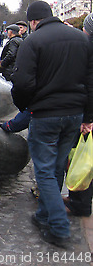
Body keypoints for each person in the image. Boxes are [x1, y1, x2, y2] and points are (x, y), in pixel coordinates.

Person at [11, 0, 93, 248]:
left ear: (33, 21)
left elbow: (22, 83)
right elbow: (90, 82)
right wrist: (88, 117)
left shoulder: (33, 41)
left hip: (46, 115)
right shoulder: (81, 39)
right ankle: (44, 215)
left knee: (44, 171)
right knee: (57, 166)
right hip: (74, 115)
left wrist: (26, 106)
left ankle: (58, 226)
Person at [63, 12, 93, 217]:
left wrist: (88, 119)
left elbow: (89, 86)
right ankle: (77, 199)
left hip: (86, 113)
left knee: (81, 158)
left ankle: (80, 202)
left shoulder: (87, 49)